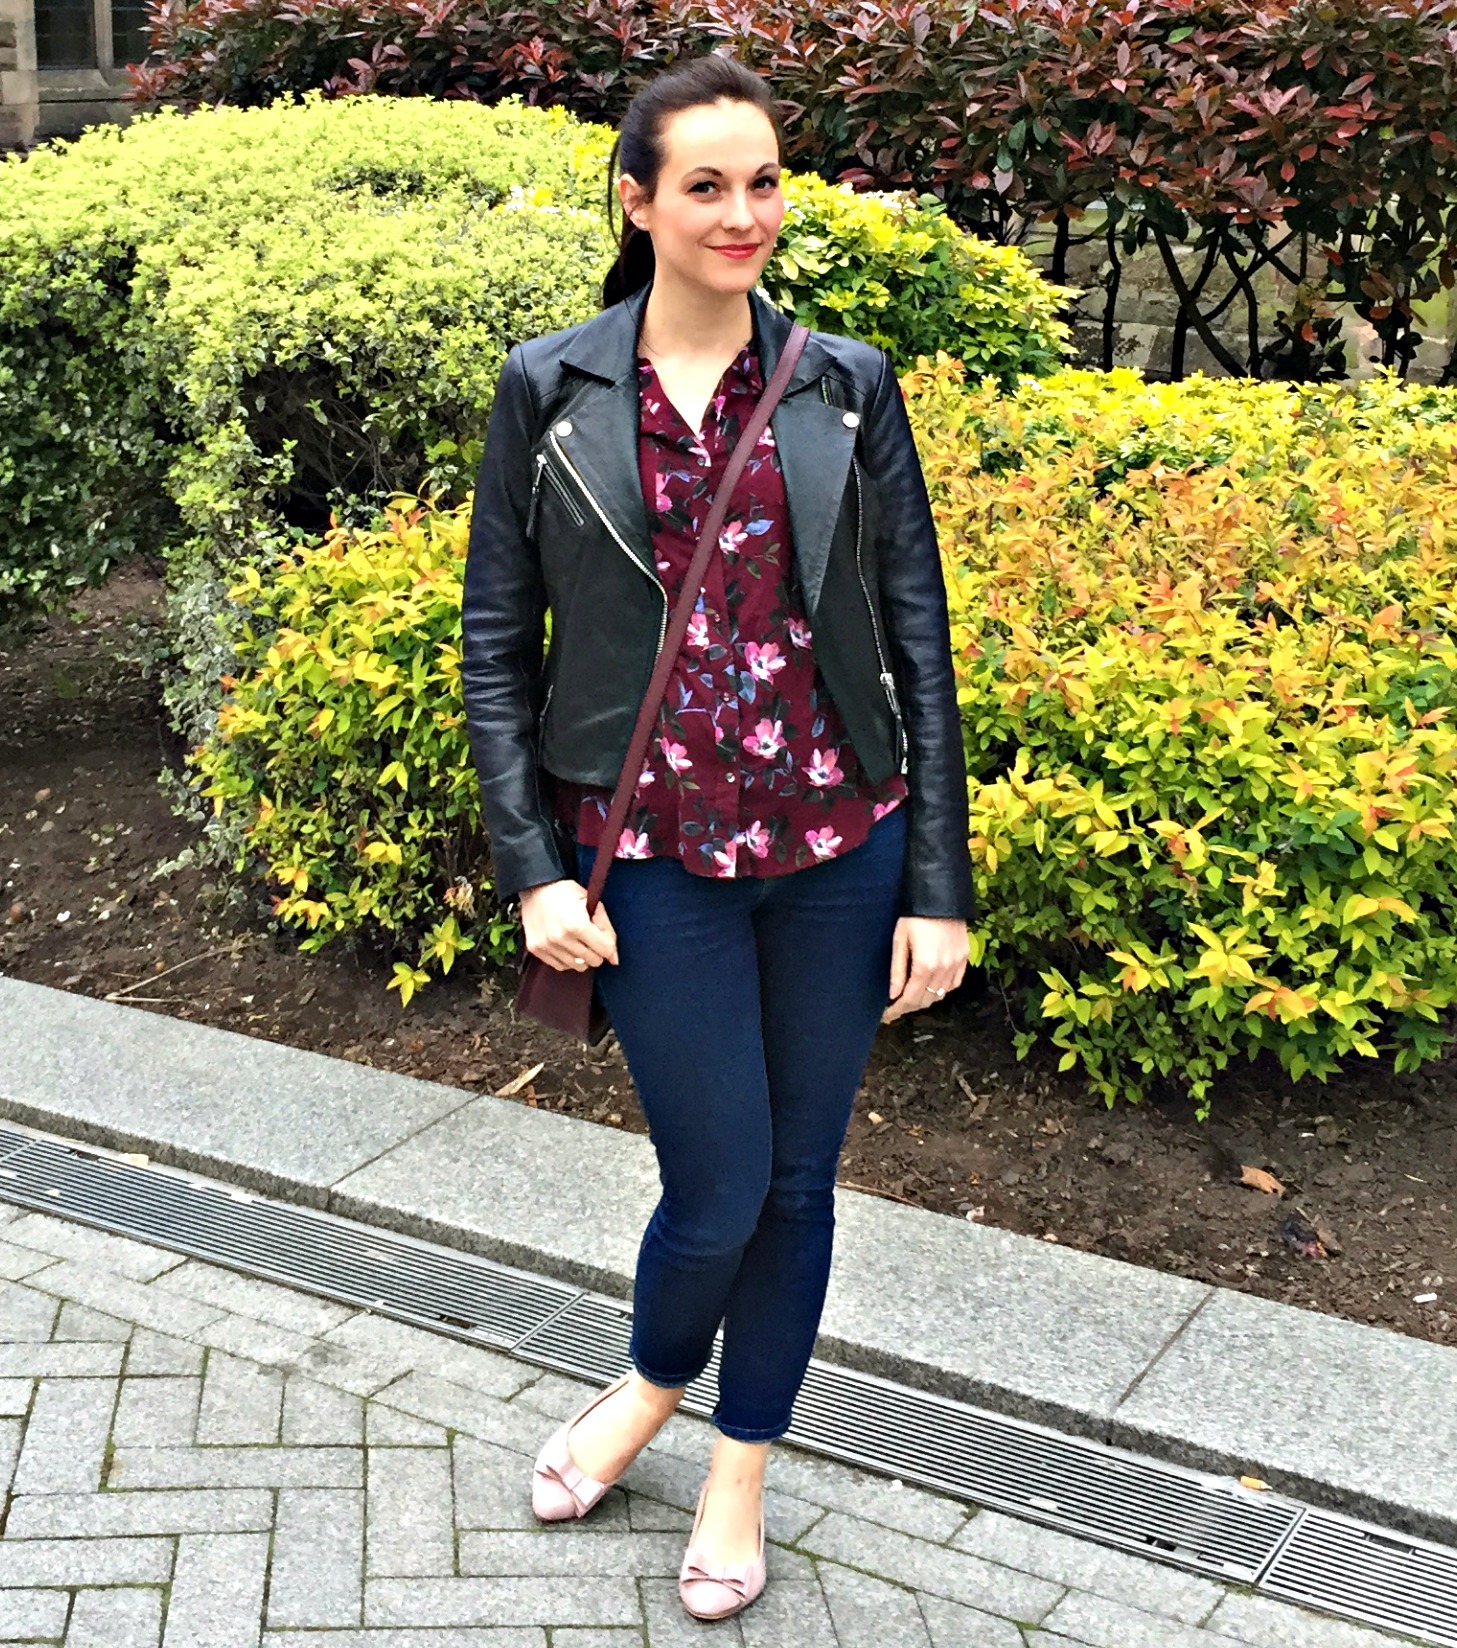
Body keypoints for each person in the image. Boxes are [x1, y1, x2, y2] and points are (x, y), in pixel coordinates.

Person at [460, 51, 973, 1623]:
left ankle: (738, 1468)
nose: (742, 214)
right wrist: (532, 868)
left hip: (839, 851)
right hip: (657, 861)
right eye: (705, 185)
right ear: (639, 201)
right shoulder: (552, 389)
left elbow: (915, 638)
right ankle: (650, 1384)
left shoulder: (842, 385)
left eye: (762, 183)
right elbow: (495, 647)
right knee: (717, 1185)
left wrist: (937, 885)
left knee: (798, 1185)